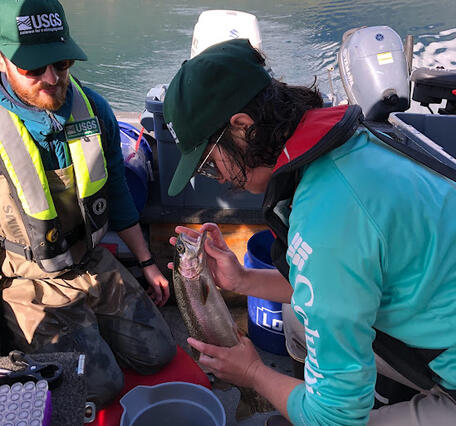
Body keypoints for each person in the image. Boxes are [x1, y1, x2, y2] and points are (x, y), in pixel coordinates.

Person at [164, 38, 456, 425]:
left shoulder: (329, 216)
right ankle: (346, 391)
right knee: (296, 316)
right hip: (435, 333)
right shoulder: (352, 142)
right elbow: (338, 284)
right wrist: (243, 279)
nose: (218, 179)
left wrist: (253, 373)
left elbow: (334, 418)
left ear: (242, 128)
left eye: (209, 165)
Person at [0, 0, 175, 409]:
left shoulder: (93, 108)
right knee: (100, 387)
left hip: (93, 262)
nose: (50, 77)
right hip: (31, 282)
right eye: (32, 68)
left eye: (60, 63)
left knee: (158, 354)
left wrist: (147, 263)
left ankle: (88, 328)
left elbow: (115, 188)